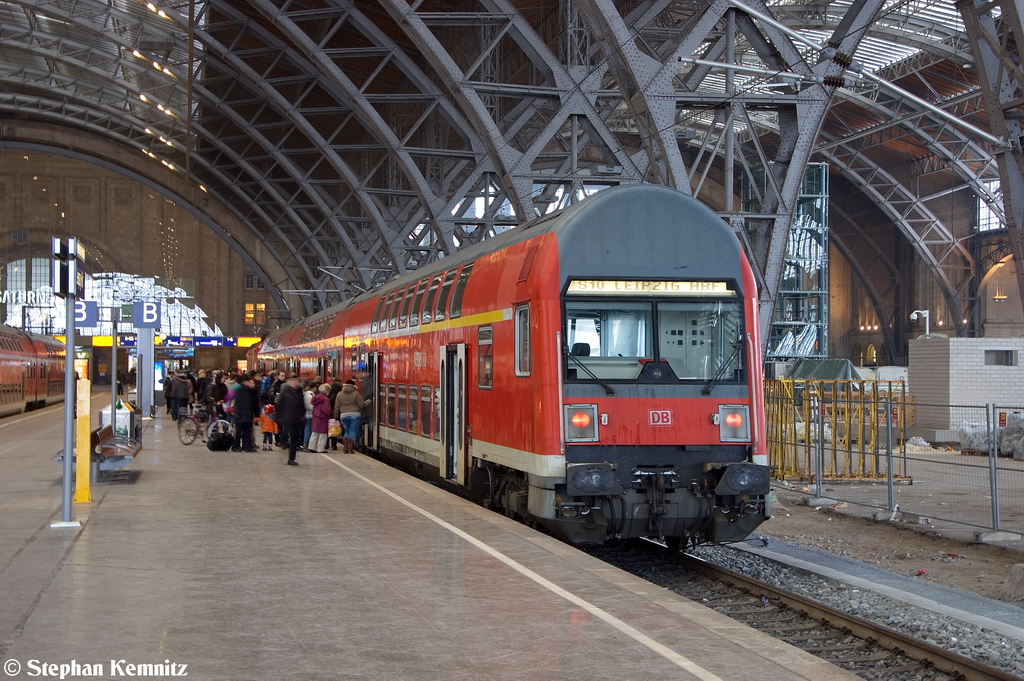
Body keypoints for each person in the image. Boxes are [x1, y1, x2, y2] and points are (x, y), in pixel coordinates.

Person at [275, 373, 305, 465]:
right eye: (292, 381)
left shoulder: (299, 390)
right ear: (288, 382)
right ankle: (290, 457)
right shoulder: (285, 391)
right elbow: (278, 404)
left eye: (295, 380)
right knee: (290, 435)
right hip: (287, 417)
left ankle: (292, 457)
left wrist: (302, 414)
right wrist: (280, 415)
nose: (294, 382)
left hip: (297, 418)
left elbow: (301, 403)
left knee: (295, 438)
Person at [334, 379, 369, 454]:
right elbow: (361, 405)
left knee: (346, 431)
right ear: (353, 386)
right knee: (352, 431)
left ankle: (345, 448)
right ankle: (350, 449)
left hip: (343, 415)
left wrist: (335, 417)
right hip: (354, 415)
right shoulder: (356, 394)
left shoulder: (339, 394)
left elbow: (337, 407)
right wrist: (369, 401)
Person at [230, 374, 260, 452]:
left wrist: (256, 414)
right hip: (241, 414)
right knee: (239, 431)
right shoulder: (239, 389)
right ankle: (235, 445)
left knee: (247, 431)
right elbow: (239, 402)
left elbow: (254, 403)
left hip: (248, 413)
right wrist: (238, 413)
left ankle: (247, 446)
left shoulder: (250, 390)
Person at [308, 383, 332, 453]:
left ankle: (311, 447)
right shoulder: (325, 399)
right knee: (323, 433)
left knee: (315, 432)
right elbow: (326, 409)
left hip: (315, 416)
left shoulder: (316, 397)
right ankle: (321, 448)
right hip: (323, 417)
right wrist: (330, 412)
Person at [302, 380, 315, 450]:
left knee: (308, 429)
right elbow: (309, 406)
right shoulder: (309, 395)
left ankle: (306, 444)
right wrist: (316, 408)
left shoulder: (306, 394)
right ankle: (306, 444)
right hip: (309, 415)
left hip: (308, 414)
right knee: (308, 429)